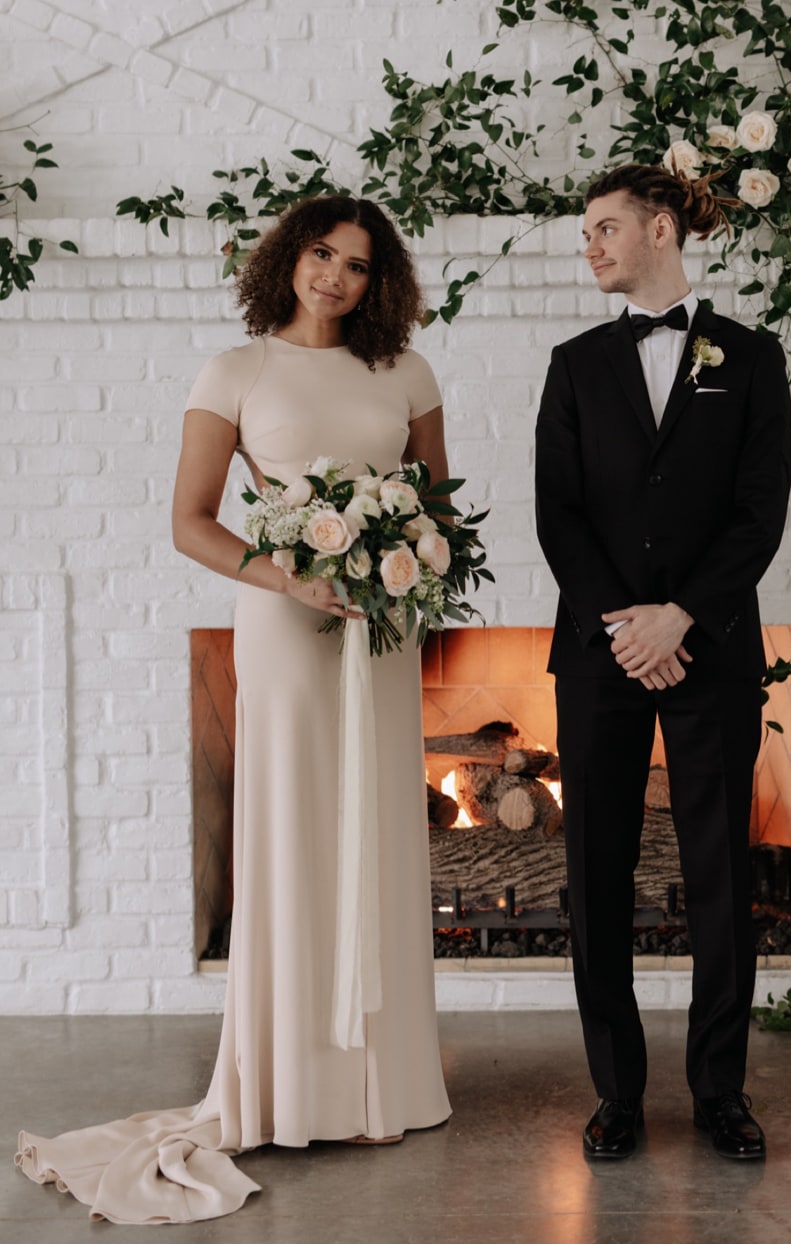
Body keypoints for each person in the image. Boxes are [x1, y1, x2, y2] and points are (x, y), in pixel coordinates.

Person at [15, 196, 452, 1224]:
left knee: (380, 831)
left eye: (356, 264)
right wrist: (289, 579)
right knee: (298, 833)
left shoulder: (409, 373)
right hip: (286, 624)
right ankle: (295, 1086)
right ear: (287, 258)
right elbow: (188, 521)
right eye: (320, 254)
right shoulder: (236, 371)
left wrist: (402, 564)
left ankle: (382, 1081)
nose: (335, 277)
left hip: (380, 631)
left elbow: (435, 508)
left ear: (376, 280)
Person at [534, 164, 791, 1161]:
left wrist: (680, 615)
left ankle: (721, 1092)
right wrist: (622, 624)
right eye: (585, 231)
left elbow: (757, 511)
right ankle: (618, 1096)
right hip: (599, 657)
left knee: (721, 872)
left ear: (659, 226)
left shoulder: (752, 358)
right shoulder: (572, 364)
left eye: (603, 227)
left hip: (712, 645)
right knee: (595, 868)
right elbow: (557, 509)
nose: (590, 245)